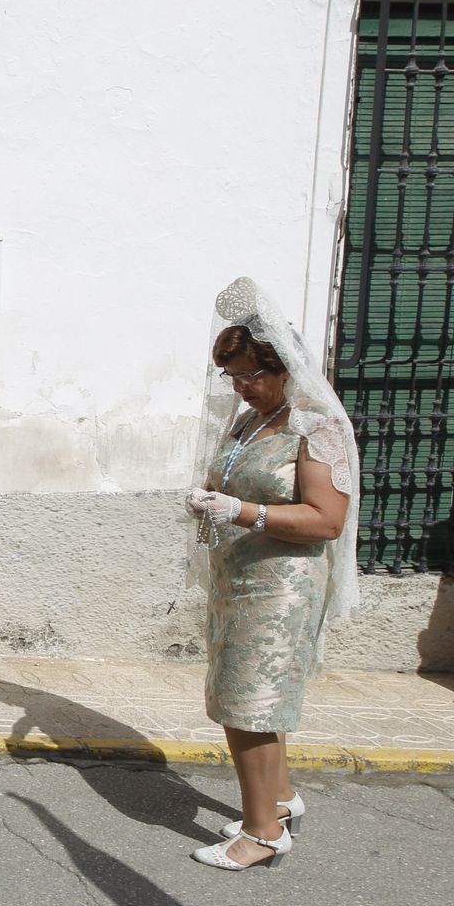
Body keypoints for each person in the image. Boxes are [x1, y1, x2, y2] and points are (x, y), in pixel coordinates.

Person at [184, 277, 359, 870]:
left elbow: (327, 520)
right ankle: (280, 798)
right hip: (238, 579)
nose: (240, 387)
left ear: (284, 367)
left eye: (250, 375)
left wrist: (243, 512)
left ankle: (262, 835)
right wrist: (210, 496)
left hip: (281, 585)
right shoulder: (251, 421)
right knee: (245, 699)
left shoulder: (316, 427)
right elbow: (234, 482)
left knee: (250, 707)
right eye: (232, 377)